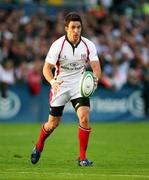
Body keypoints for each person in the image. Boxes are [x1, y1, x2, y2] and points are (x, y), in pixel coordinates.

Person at [31, 12, 101, 166]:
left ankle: (82, 158)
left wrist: (95, 79)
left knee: (84, 117)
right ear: (66, 28)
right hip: (60, 85)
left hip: (79, 85)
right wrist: (52, 81)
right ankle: (39, 146)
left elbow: (96, 67)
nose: (76, 30)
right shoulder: (58, 45)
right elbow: (46, 69)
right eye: (73, 27)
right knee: (53, 124)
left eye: (79, 27)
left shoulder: (88, 45)